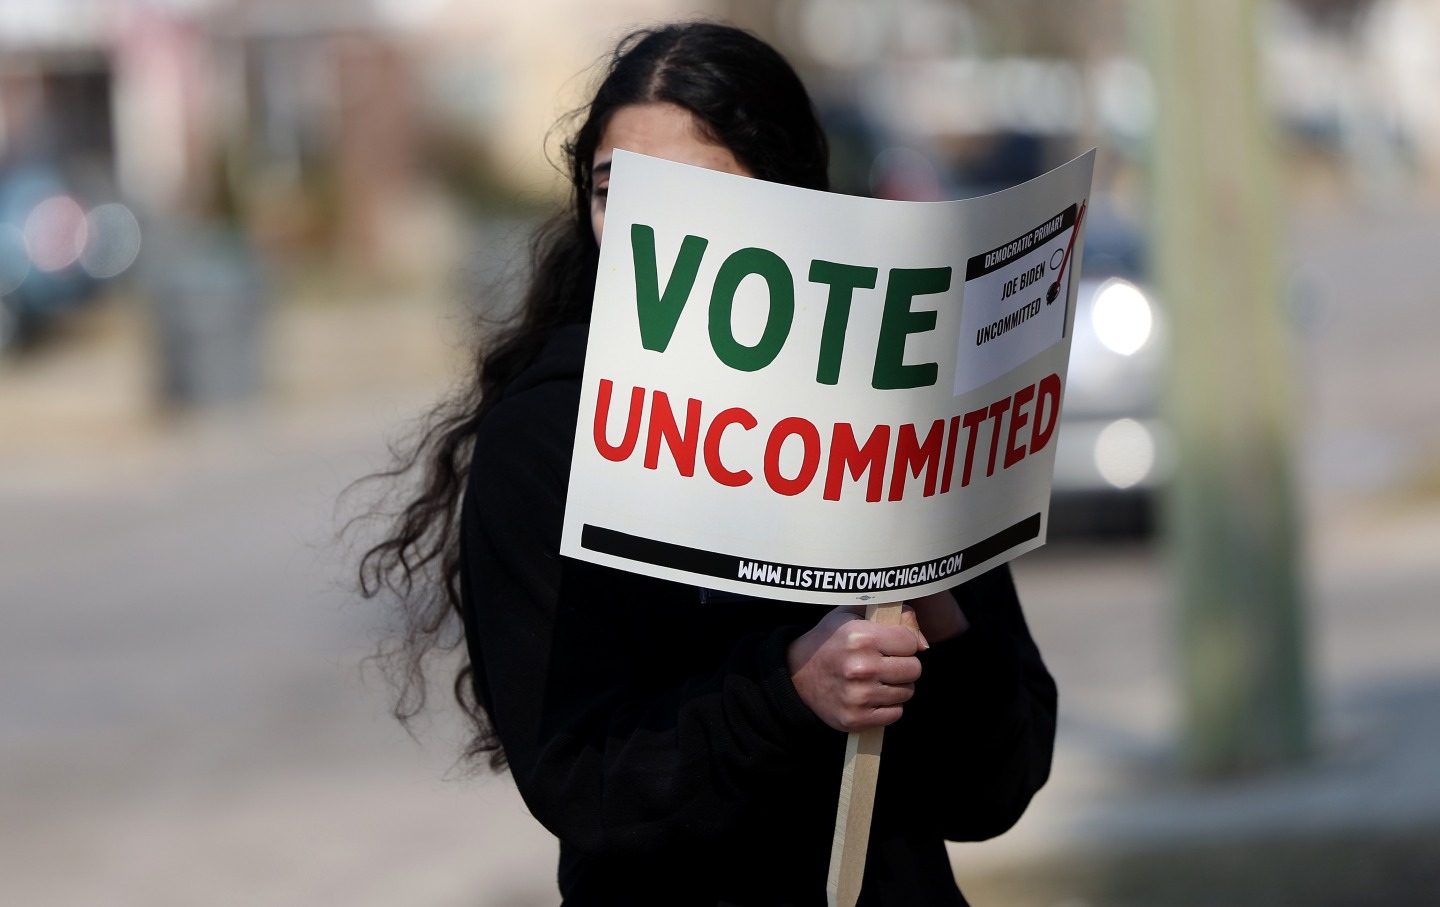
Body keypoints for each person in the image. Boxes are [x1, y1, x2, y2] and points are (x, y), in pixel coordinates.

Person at [359, 22, 1057, 906]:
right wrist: (790, 688)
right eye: (618, 194)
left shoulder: (892, 404)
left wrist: (935, 600)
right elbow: (583, 781)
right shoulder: (545, 438)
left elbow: (998, 786)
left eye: (696, 198)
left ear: (793, 202)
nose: (653, 236)